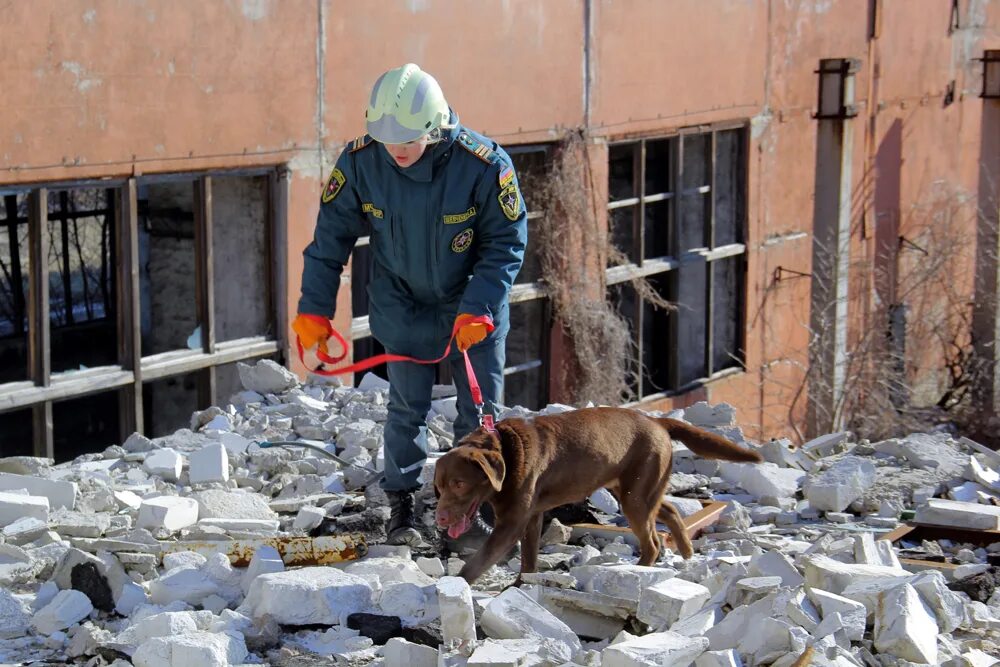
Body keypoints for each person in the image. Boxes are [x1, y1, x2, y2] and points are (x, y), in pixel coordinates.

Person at [292, 63, 527, 549]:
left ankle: (475, 511)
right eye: (386, 139)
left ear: (435, 128)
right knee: (405, 408)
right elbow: (330, 238)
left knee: (479, 413)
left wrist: (480, 308)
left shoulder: (483, 165)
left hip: (471, 308)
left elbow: (505, 243)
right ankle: (402, 502)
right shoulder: (361, 163)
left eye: (407, 140)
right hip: (403, 304)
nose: (396, 150)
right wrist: (314, 309)